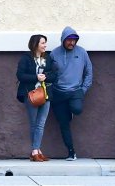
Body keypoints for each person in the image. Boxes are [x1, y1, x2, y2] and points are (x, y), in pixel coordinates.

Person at [50, 26, 93, 161]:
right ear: (63, 40)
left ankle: (71, 110)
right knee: (63, 123)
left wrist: (83, 89)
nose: (72, 43)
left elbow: (89, 72)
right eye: (69, 40)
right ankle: (71, 151)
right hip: (58, 93)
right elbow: (49, 73)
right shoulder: (54, 54)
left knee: (77, 109)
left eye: (74, 40)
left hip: (75, 91)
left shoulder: (82, 53)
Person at [17, 34, 57, 162]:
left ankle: (36, 150)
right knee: (34, 123)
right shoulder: (26, 58)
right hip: (31, 94)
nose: (45, 45)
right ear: (35, 44)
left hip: (45, 94)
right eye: (43, 43)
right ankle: (36, 150)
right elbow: (20, 75)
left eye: (45, 43)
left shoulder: (48, 57)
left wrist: (45, 76)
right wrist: (36, 77)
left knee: (41, 123)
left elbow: (55, 74)